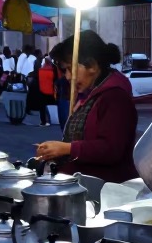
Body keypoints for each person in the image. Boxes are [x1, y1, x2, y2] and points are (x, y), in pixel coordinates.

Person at [36, 31, 137, 182]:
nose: (68, 77)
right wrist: (56, 151)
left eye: (71, 69)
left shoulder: (115, 97)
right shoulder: (90, 94)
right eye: (65, 71)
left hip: (105, 190)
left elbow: (111, 150)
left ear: (93, 65)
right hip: (80, 184)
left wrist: (66, 148)